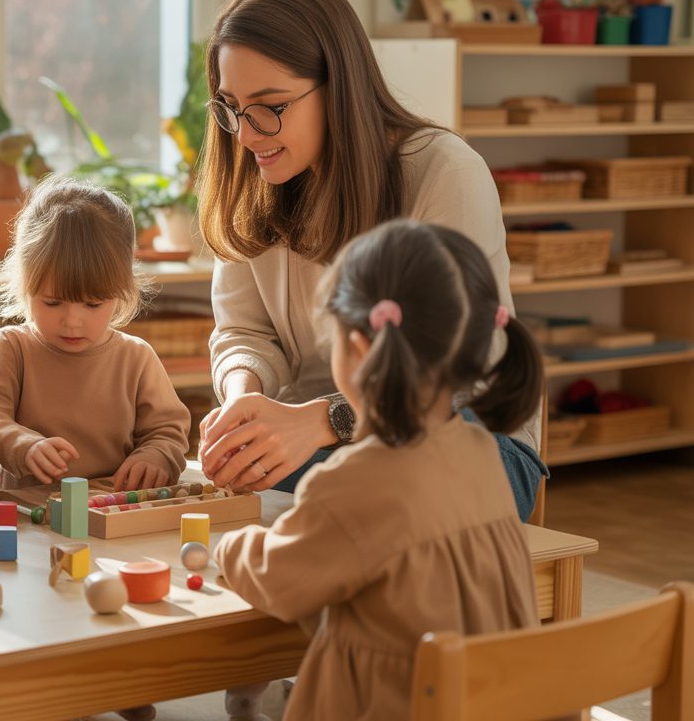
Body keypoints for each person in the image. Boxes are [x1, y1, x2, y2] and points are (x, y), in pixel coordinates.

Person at [194, 0, 545, 520]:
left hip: (465, 432)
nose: (245, 134)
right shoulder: (253, 175)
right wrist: (244, 400)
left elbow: (457, 374)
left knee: (380, 505)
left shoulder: (443, 172)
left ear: (339, 86)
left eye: (270, 106)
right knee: (231, 480)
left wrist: (318, 421)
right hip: (323, 442)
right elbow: (243, 330)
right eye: (231, 107)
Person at [216, 220, 542, 720]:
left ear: (362, 351)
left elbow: (278, 581)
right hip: (489, 701)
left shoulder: (355, 481)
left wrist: (232, 546)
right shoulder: (479, 451)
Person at [0, 178, 191, 498]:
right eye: (52, 302)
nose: (72, 321)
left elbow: (167, 431)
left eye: (93, 304)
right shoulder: (12, 348)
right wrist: (23, 445)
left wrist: (155, 456)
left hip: (108, 510)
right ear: (24, 284)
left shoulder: (136, 358)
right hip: (23, 513)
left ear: (122, 289)